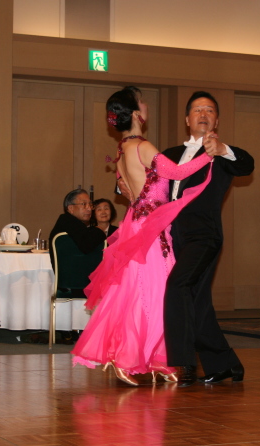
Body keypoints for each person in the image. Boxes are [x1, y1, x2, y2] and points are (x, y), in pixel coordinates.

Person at [72, 86, 215, 386]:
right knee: (151, 291)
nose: (146, 105)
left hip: (140, 224)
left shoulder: (122, 150)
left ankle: (152, 358)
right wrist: (208, 156)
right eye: (142, 102)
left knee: (143, 290)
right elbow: (177, 173)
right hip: (149, 229)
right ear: (136, 113)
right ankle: (128, 358)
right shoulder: (142, 146)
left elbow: (127, 189)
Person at [162, 91, 254, 387]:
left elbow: (247, 165)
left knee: (177, 286)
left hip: (204, 235)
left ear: (217, 120)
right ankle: (225, 364)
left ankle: (183, 363)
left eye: (209, 110)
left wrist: (224, 149)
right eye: (197, 109)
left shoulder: (222, 155)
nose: (203, 113)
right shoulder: (170, 154)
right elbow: (150, 184)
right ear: (187, 119)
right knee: (197, 302)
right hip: (174, 238)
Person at [48, 189, 107, 265]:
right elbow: (87, 245)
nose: (89, 208)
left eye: (90, 204)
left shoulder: (70, 222)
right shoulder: (67, 221)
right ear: (71, 208)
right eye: (84, 204)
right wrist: (100, 229)